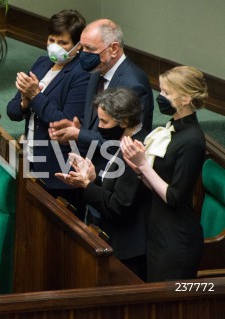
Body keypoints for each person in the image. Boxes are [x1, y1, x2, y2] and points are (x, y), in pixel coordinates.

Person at [121, 66, 207, 282]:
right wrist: (139, 169)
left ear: (185, 98)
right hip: (159, 232)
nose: (161, 97)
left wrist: (144, 166)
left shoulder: (192, 141)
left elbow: (174, 197)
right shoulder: (174, 128)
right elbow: (160, 184)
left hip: (177, 241)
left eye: (167, 93)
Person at [55, 88, 150, 280]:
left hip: (128, 252)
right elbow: (113, 187)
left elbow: (118, 205)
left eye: (104, 121)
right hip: (115, 240)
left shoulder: (136, 149)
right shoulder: (122, 141)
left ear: (124, 121)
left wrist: (87, 185)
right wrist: (92, 177)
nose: (99, 126)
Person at [6, 9, 90, 206]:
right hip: (31, 159)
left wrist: (35, 95)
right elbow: (12, 110)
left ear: (77, 46)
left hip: (59, 168)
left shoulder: (82, 74)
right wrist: (24, 102)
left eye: (63, 43)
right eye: (52, 40)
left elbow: (64, 123)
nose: (55, 47)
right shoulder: (42, 63)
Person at [49, 18, 154, 174]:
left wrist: (80, 134)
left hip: (113, 174)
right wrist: (78, 128)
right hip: (89, 167)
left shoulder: (134, 85)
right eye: (82, 48)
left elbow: (128, 144)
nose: (83, 55)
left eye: (90, 49)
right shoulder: (97, 71)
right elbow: (95, 122)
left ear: (113, 49)